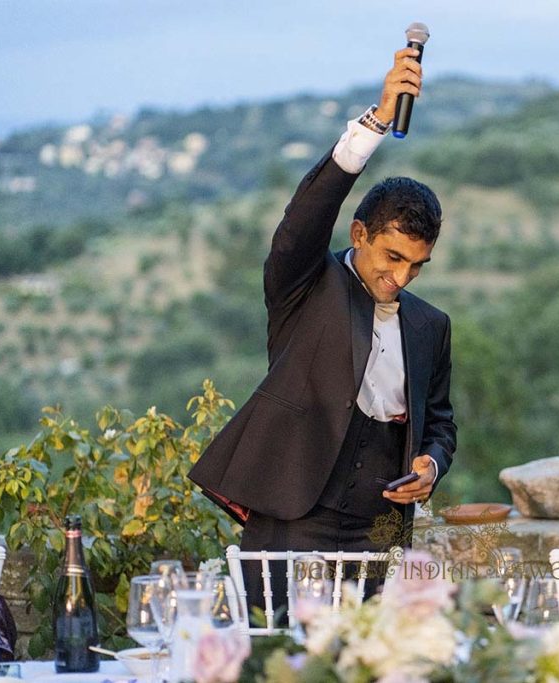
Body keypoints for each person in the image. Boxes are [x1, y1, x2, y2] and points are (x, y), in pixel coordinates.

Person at [188, 48, 456, 596]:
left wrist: (431, 465)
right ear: (359, 235)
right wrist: (376, 122)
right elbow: (302, 220)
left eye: (415, 265)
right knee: (280, 656)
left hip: (382, 525)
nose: (401, 277)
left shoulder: (432, 326)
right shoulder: (306, 284)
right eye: (392, 257)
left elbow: (441, 423)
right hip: (294, 511)